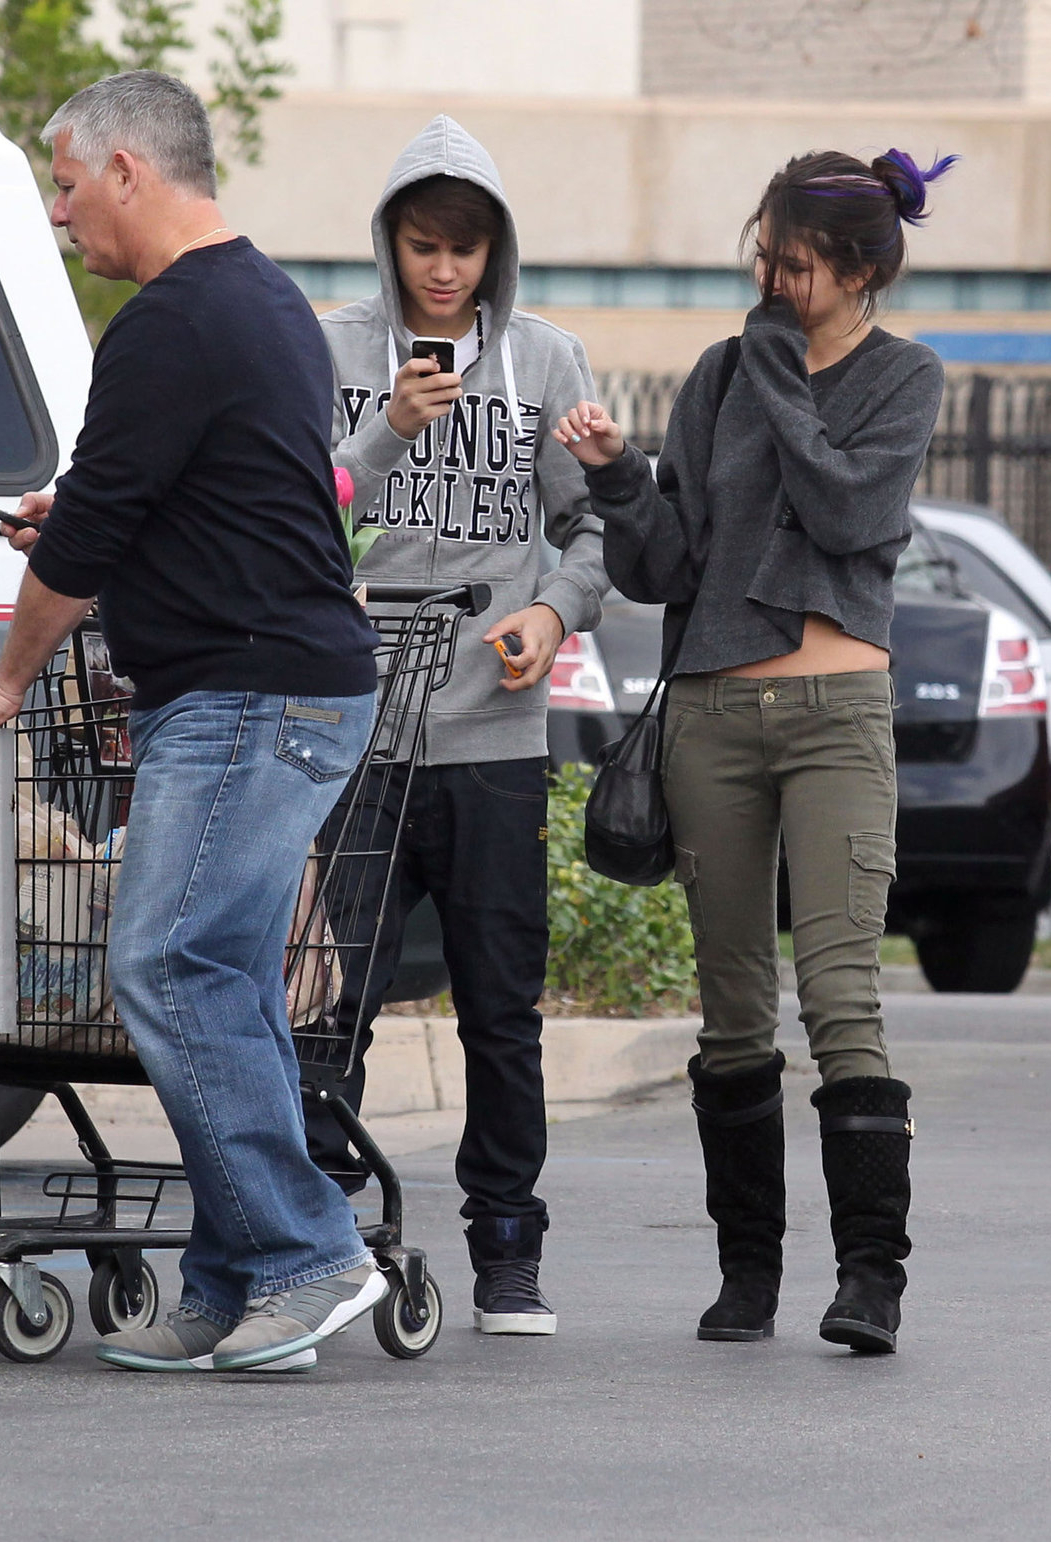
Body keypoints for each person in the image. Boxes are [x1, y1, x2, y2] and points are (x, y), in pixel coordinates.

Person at [0, 70, 389, 1374]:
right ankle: (235, 1282)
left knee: (165, 964)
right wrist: (95, 528)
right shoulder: (264, 303)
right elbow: (218, 507)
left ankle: (308, 1254)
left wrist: (5, 681)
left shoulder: (171, 322)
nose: (57, 212)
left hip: (254, 694)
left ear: (132, 173)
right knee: (228, 978)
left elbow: (92, 531)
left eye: (68, 183)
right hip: (278, 682)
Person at [555, 148, 955, 1354]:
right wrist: (621, 478)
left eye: (794, 263)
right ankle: (749, 1273)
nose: (771, 279)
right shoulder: (720, 373)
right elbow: (665, 565)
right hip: (714, 722)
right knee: (732, 1010)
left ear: (858, 268)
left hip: (837, 715)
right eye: (766, 257)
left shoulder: (903, 378)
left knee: (840, 998)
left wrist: (779, 369)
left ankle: (870, 1279)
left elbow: (846, 514)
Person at [309, 116, 609, 1334]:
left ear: (496, 254)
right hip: (349, 735)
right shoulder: (326, 348)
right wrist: (389, 424)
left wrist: (553, 612)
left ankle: (507, 1249)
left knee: (501, 1003)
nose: (445, 272)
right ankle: (322, 1228)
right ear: (389, 242)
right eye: (425, 246)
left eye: (467, 251)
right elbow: (291, 510)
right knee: (330, 999)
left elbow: (592, 534)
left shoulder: (544, 361)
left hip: (495, 731)